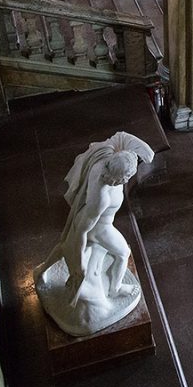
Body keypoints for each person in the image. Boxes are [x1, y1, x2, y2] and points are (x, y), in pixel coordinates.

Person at [36, 132, 154, 307]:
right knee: (123, 253)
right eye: (127, 177)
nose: (127, 179)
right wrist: (79, 264)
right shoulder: (101, 198)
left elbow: (122, 137)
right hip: (99, 229)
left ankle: (41, 270)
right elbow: (82, 230)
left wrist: (147, 153)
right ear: (121, 178)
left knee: (64, 244)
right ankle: (115, 288)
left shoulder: (104, 156)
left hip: (94, 222)